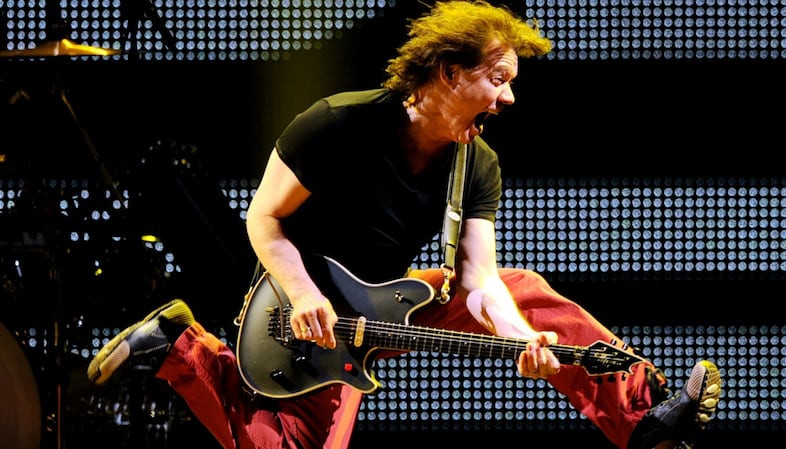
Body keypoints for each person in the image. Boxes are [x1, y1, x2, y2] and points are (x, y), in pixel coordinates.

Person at [86, 1, 722, 448]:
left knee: (522, 289)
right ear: (449, 73)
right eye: (498, 79)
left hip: (387, 304)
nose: (508, 97)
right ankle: (182, 344)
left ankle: (643, 421)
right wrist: (304, 294)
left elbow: (478, 279)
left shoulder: (477, 162)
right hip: (297, 311)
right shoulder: (337, 122)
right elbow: (264, 218)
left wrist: (520, 337)